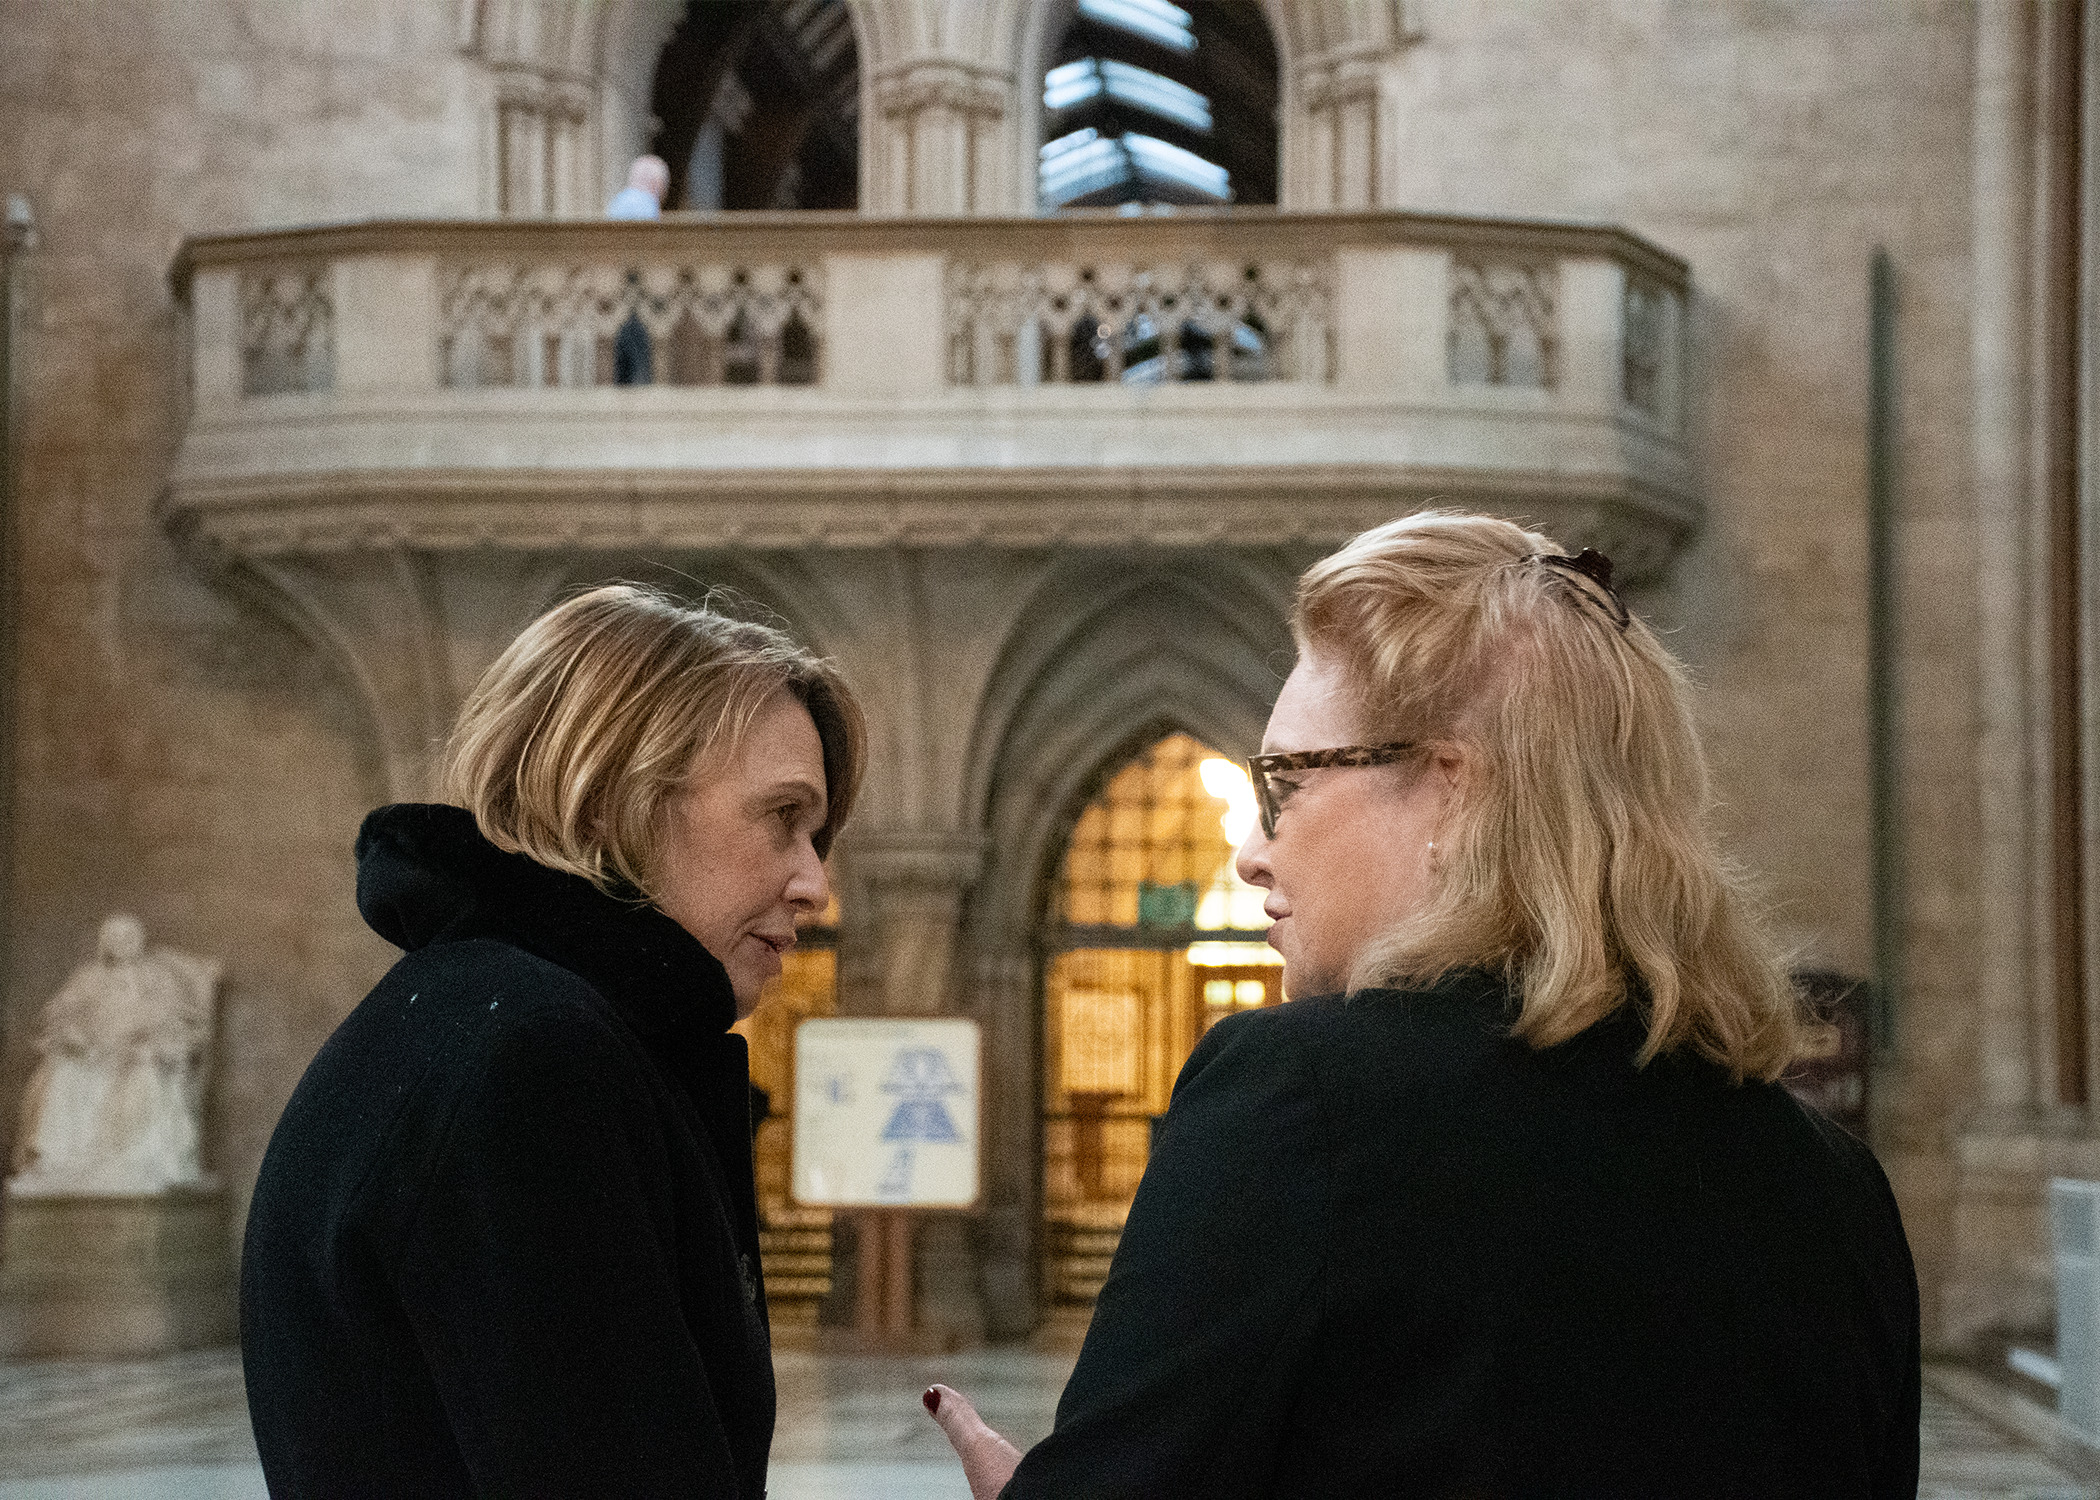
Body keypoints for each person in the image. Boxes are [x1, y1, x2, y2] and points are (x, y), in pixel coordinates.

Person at [926, 512, 1919, 1498]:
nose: (1252, 851)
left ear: (1451, 789)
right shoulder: (1838, 1191)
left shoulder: (1299, 1102)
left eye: (1287, 783)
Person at [240, 584, 863, 1497]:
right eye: (781, 818)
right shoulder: (532, 1062)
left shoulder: (478, 1018)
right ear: (612, 797)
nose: (813, 885)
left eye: (818, 835)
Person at [607, 155, 670, 385]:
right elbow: (652, 251)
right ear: (656, 183)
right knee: (640, 356)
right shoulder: (645, 204)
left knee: (621, 355)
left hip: (613, 286)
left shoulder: (618, 202)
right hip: (637, 285)